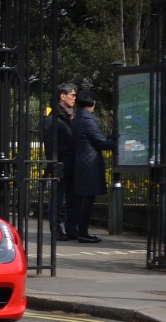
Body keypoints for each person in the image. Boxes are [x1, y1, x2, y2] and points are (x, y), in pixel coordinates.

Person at [70, 90, 118, 244]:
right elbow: (101, 143)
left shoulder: (78, 119)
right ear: (93, 103)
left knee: (82, 199)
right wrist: (114, 139)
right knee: (88, 199)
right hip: (90, 164)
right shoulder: (88, 120)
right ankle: (84, 233)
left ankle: (81, 231)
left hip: (81, 162)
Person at [39, 82, 78, 241]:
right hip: (61, 164)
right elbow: (50, 146)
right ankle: (56, 229)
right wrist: (55, 167)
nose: (75, 98)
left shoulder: (73, 117)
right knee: (56, 199)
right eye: (73, 95)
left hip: (73, 163)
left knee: (72, 198)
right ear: (63, 96)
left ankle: (71, 229)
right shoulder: (52, 120)